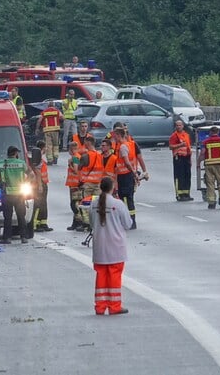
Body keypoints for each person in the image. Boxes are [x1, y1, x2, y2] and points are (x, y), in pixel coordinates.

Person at [90, 176, 132, 316]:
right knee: (114, 276)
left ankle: (100, 306)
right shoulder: (118, 204)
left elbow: (91, 222)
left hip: (99, 247)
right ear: (112, 187)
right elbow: (128, 224)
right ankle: (114, 306)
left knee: (101, 276)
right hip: (116, 247)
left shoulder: (94, 204)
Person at [0, 146, 32, 244]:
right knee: (21, 216)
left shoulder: (2, 163)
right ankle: (24, 237)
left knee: (7, 217)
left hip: (6, 194)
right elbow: (32, 175)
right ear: (15, 153)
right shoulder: (21, 163)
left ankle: (7, 238)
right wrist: (25, 182)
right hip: (19, 194)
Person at [198, 126, 220, 209]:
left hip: (209, 165)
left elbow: (202, 153)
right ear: (218, 132)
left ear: (210, 133)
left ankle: (211, 203)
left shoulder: (205, 142)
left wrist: (198, 162)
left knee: (210, 184)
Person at [113, 128, 139, 229]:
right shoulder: (128, 144)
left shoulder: (123, 147)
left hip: (125, 176)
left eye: (115, 135)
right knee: (128, 198)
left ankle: (130, 221)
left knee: (126, 199)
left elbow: (127, 162)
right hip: (126, 175)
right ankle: (130, 221)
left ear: (119, 135)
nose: (114, 137)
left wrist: (134, 174)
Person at [79, 135, 104, 225]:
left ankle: (86, 223)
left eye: (85, 142)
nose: (84, 144)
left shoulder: (86, 156)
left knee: (85, 204)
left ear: (88, 143)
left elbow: (78, 167)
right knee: (97, 204)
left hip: (88, 184)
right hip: (98, 184)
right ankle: (97, 222)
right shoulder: (100, 155)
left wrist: (72, 159)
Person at [169, 120, 193, 201]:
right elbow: (171, 146)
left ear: (183, 126)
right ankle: (180, 194)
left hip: (186, 157)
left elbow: (188, 147)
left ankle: (186, 193)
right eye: (177, 125)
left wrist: (190, 158)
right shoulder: (174, 135)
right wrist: (180, 145)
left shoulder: (186, 135)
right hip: (178, 158)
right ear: (175, 127)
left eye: (180, 125)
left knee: (187, 175)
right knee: (179, 176)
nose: (178, 127)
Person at [31, 140, 53, 232]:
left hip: (43, 183)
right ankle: (35, 224)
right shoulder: (38, 159)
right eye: (45, 147)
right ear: (43, 148)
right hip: (40, 183)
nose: (46, 149)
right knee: (38, 204)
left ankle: (43, 223)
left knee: (43, 204)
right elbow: (37, 171)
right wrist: (40, 185)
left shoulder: (39, 158)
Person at [65, 141, 85, 231]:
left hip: (75, 184)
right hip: (74, 183)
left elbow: (76, 170)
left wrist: (70, 164)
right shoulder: (76, 156)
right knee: (75, 203)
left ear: (71, 150)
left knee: (74, 204)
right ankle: (75, 223)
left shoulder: (75, 158)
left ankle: (79, 222)